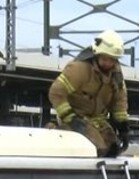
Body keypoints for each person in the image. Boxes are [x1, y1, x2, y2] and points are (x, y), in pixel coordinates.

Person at [48, 29, 129, 157]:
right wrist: (71, 118)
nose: (108, 63)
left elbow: (120, 100)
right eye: (104, 58)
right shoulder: (79, 69)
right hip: (75, 118)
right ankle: (55, 130)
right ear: (97, 54)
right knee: (97, 148)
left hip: (98, 120)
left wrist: (123, 126)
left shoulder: (116, 74)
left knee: (113, 149)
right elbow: (56, 92)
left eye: (112, 59)